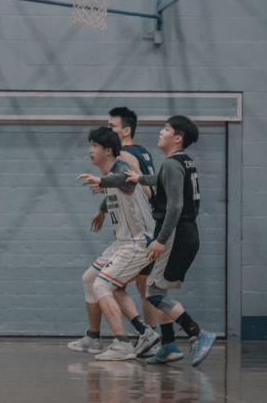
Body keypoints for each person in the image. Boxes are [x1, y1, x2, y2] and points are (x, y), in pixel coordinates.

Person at [124, 115, 217, 366]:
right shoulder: (182, 163)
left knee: (153, 293)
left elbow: (175, 205)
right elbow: (165, 182)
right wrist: (139, 178)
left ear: (178, 137)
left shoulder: (172, 165)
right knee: (159, 289)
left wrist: (161, 240)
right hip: (185, 232)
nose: (160, 132)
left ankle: (197, 332)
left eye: (166, 129)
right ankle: (168, 345)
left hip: (176, 233)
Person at [75, 127, 159, 361]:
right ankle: (139, 334)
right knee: (90, 279)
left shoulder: (121, 169)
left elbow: (125, 181)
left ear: (108, 150)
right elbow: (115, 190)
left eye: (94, 146)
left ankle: (122, 343)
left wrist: (102, 180)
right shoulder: (112, 175)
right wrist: (101, 210)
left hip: (138, 244)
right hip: (122, 242)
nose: (90, 151)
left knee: (103, 286)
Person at [107, 106, 161, 355]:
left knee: (108, 283)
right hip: (149, 230)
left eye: (112, 128)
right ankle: (151, 338)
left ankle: (149, 336)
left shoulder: (126, 155)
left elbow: (146, 190)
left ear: (125, 131)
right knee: (145, 288)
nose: (108, 131)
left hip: (142, 232)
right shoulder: (142, 151)